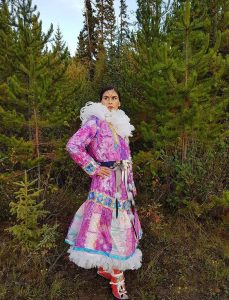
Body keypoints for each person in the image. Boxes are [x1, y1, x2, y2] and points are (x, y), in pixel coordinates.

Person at [65, 86, 142, 299]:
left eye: (114, 98)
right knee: (110, 226)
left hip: (123, 185)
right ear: (100, 101)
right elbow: (73, 146)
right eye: (106, 98)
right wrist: (94, 168)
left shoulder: (121, 125)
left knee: (120, 226)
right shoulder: (94, 122)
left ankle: (107, 267)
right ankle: (118, 278)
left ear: (119, 103)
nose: (110, 101)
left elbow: (127, 159)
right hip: (105, 184)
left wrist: (131, 183)